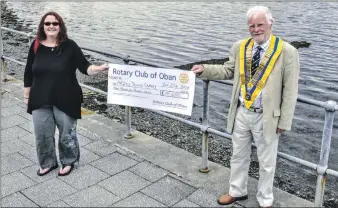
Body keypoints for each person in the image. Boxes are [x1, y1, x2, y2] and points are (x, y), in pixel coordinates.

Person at [191, 6, 300, 207]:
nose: (256, 29)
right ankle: (237, 191)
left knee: (267, 162)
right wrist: (204, 69)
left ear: (270, 23)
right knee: (238, 155)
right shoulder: (240, 47)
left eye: (260, 25)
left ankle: (265, 199)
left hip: (267, 116)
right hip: (241, 111)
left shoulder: (287, 51)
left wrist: (284, 121)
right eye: (252, 26)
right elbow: (227, 70)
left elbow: (290, 91)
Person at [24, 11, 109, 177]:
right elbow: (28, 72)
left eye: (55, 23)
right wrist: (27, 96)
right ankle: (47, 163)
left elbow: (85, 67)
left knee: (66, 134)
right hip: (39, 98)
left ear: (60, 26)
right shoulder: (36, 45)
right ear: (43, 26)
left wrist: (99, 68)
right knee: (42, 134)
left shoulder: (70, 46)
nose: (51, 26)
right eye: (47, 23)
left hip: (66, 97)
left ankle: (68, 161)